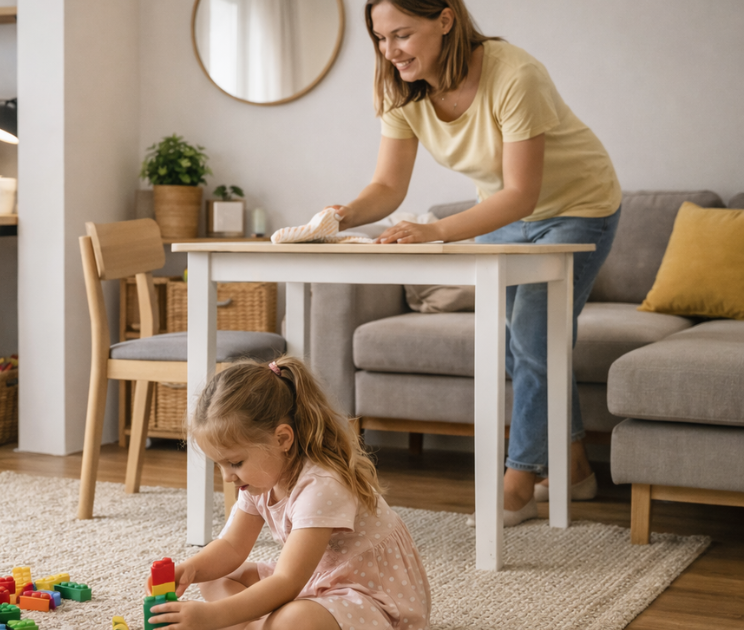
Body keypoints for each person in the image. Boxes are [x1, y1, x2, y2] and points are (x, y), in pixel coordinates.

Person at [326, 0, 621, 525]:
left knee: (533, 340)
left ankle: (519, 482)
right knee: (529, 344)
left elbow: (522, 194)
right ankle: (574, 469)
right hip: (504, 212)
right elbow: (389, 187)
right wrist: (343, 216)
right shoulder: (403, 89)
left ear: (445, 19)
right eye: (379, 37)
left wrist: (436, 231)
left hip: (577, 208)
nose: (390, 51)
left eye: (402, 34)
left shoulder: (515, 74)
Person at [147, 357, 430, 630]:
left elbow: (287, 581)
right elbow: (233, 547)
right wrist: (191, 569)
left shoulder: (322, 484)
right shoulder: (260, 479)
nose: (227, 477)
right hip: (316, 579)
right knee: (214, 577)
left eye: (235, 462)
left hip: (368, 595)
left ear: (282, 439)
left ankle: (252, 626)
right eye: (219, 464)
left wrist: (212, 617)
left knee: (295, 621)